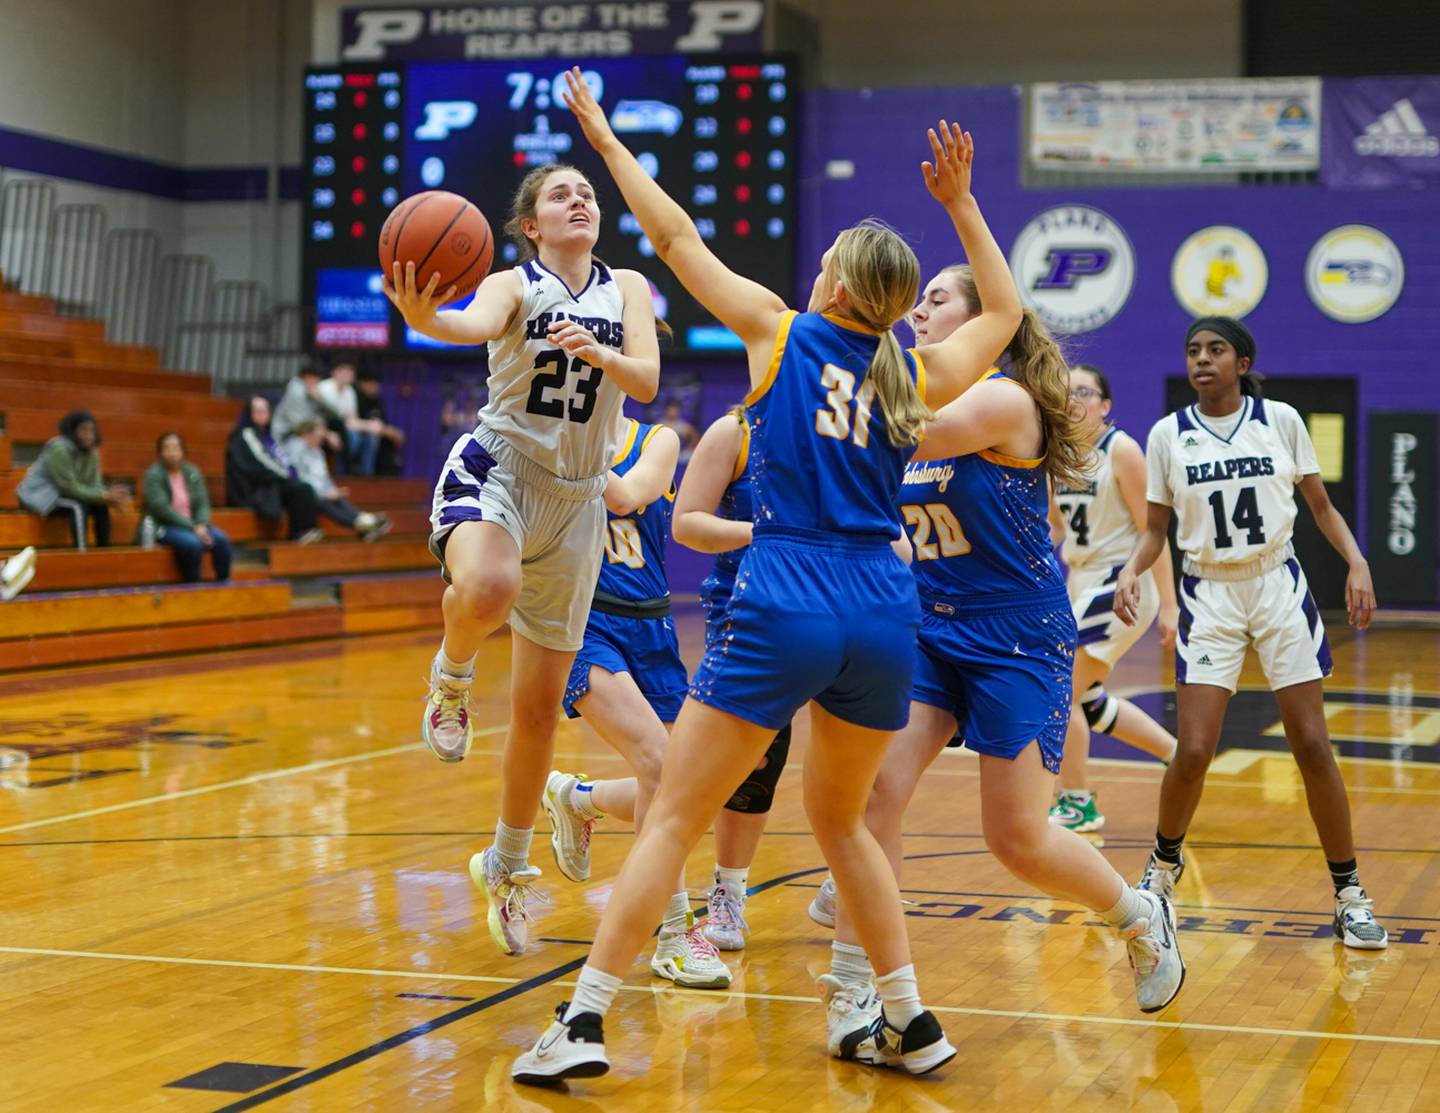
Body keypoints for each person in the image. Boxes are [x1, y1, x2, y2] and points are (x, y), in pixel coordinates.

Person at [511, 76, 1011, 1086]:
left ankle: (586, 1020)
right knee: (844, 826)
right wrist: (961, 201)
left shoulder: (781, 331)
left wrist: (608, 144)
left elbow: (677, 239)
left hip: (786, 585)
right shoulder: (912, 374)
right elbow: (1003, 308)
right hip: (882, 602)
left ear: (833, 287)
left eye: (825, 260)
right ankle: (909, 1019)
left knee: (675, 816)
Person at [815, 263, 1186, 1056]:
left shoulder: (1000, 397)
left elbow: (891, 427)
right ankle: (854, 987)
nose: (919, 309)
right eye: (915, 302)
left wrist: (827, 341)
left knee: (1016, 838)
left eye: (938, 298)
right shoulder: (925, 399)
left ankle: (1136, 913)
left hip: (1016, 636)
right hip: (929, 627)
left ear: (986, 320)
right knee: (876, 793)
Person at [385, 149, 662, 961]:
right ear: (530, 225)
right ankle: (452, 672)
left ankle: (505, 864)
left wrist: (600, 353)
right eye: (558, 195)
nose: (578, 200)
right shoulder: (514, 283)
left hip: (577, 501)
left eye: (586, 192)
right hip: (500, 470)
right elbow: (462, 323)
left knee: (541, 712)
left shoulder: (629, 290)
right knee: (489, 581)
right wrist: (422, 316)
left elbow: (642, 380)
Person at [1115, 315, 1386, 949]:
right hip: (1208, 592)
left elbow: (1320, 505)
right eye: (1193, 351)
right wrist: (1133, 571)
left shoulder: (1281, 420)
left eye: (1216, 350)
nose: (1201, 360)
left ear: (1242, 362)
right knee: (1195, 749)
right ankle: (1161, 869)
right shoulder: (1165, 435)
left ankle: (1348, 892)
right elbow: (1155, 529)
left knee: (1313, 744)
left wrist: (1358, 560)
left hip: (1276, 585)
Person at [542, 415, 731, 988]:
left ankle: (579, 799)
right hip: (583, 621)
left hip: (651, 625)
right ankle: (674, 935)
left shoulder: (658, 439)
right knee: (657, 761)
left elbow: (627, 495)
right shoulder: (538, 440)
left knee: (683, 784)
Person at [671, 405, 793, 951]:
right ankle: (727, 897)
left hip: (842, 608)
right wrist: (768, 534)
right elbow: (687, 522)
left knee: (873, 762)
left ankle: (850, 882)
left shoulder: (854, 424)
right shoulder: (737, 429)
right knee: (747, 760)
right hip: (748, 611)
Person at [1047, 364, 1179, 833]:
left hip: (1121, 583)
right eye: (1066, 392)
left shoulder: (1121, 450)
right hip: (1080, 582)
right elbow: (1058, 525)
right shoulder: (1058, 454)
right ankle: (1177, 757)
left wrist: (1169, 603)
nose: (1073, 399)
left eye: (1084, 391)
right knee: (1089, 698)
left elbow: (1153, 531)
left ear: (1105, 405)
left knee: (1060, 692)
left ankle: (1078, 801)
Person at [16, 410, 131, 550]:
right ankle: (81, 555)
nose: (89, 435)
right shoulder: (59, 449)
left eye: (92, 430)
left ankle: (104, 553)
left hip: (66, 495)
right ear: (72, 431)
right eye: (84, 430)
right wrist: (104, 495)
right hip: (40, 496)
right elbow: (68, 488)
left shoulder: (93, 452)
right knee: (76, 507)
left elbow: (95, 484)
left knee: (101, 506)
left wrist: (105, 496)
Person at [225, 395, 323, 543]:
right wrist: (286, 475)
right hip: (253, 488)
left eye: (265, 411)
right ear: (249, 413)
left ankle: (306, 531)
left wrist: (291, 473)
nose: (263, 414)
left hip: (270, 482)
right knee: (301, 489)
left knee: (304, 488)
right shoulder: (245, 433)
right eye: (258, 411)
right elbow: (261, 462)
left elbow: (282, 459)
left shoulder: (268, 435)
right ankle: (299, 532)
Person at [141, 433, 232, 583]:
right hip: (165, 526)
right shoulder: (153, 475)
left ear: (183, 451)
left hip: (195, 525)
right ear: (160, 453)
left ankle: (224, 584)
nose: (172, 453)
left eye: (176, 448)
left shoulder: (192, 472)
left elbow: (203, 503)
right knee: (192, 543)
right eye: (167, 449)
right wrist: (193, 527)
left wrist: (202, 524)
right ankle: (193, 585)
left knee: (221, 540)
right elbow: (162, 509)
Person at [281, 420, 392, 541]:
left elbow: (324, 477)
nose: (321, 440)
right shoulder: (294, 448)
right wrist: (323, 492)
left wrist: (332, 489)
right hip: (303, 494)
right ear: (307, 434)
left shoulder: (318, 451)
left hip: (319, 490)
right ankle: (364, 524)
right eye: (318, 436)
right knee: (325, 500)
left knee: (336, 497)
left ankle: (364, 521)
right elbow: (297, 476)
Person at [318, 359, 386, 475]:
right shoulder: (324, 387)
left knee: (371, 438)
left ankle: (365, 475)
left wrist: (368, 426)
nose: (348, 375)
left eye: (350, 372)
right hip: (324, 427)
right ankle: (342, 473)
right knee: (351, 436)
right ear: (334, 372)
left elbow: (351, 419)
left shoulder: (349, 391)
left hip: (343, 427)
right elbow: (324, 417)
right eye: (344, 371)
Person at [272, 360, 343, 448]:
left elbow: (336, 414)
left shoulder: (312, 390)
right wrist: (327, 434)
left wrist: (320, 399)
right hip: (287, 434)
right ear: (308, 377)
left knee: (339, 425)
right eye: (317, 379)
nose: (318, 382)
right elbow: (300, 424)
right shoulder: (295, 391)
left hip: (306, 430)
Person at [355, 371, 406, 475]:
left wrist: (392, 432)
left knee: (391, 441)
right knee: (371, 439)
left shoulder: (378, 400)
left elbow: (383, 421)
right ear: (362, 384)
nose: (375, 387)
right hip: (361, 433)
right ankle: (365, 475)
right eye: (371, 383)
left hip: (378, 433)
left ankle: (389, 478)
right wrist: (384, 430)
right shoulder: (356, 398)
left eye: (376, 384)